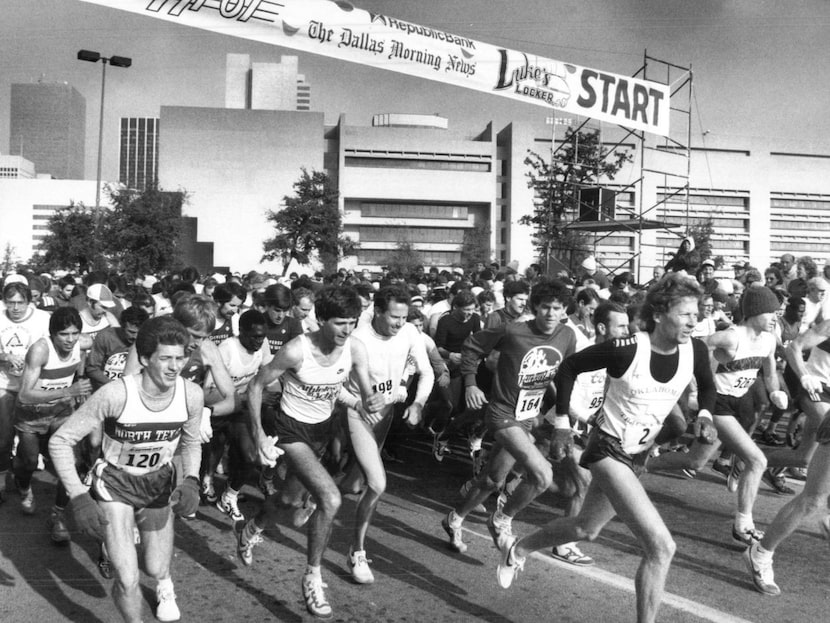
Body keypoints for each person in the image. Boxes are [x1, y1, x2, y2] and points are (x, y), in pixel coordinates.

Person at [496, 273, 717, 623]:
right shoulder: (628, 348)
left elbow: (707, 386)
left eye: (698, 313)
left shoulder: (697, 349)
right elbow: (568, 367)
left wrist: (704, 413)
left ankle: (518, 548)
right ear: (659, 314)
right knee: (661, 546)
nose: (695, 320)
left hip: (637, 455)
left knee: (586, 528)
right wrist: (563, 425)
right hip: (607, 449)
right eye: (687, 313)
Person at [234, 286, 383, 618]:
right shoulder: (295, 351)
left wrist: (370, 401)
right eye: (340, 323)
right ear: (321, 319)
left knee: (288, 501)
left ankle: (253, 526)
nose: (347, 330)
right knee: (330, 498)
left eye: (352, 322)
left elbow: (362, 391)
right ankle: (312, 578)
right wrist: (259, 434)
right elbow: (256, 386)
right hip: (290, 432)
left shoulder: (354, 348)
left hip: (320, 432)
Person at [49, 316, 204, 622]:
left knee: (156, 567)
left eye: (180, 358)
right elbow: (60, 441)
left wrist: (192, 479)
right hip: (115, 484)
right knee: (128, 578)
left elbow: (190, 444)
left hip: (158, 483)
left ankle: (134, 560)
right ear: (145, 359)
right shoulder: (116, 394)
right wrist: (80, 496)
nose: (175, 367)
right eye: (166, 359)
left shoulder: (191, 394)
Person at [442, 280, 577, 555]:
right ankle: (501, 520)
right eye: (545, 308)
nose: (551, 314)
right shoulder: (513, 331)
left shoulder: (567, 336)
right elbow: (471, 346)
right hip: (501, 413)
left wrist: (559, 418)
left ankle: (454, 519)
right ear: (534, 308)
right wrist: (470, 382)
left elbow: (566, 375)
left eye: (557, 309)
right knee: (542, 474)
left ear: (564, 310)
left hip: (527, 415)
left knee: (493, 479)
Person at [648, 285, 787, 540]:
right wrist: (697, 388)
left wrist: (775, 391)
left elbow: (768, 372)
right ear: (755, 312)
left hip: (741, 404)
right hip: (719, 404)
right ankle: (743, 525)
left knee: (694, 462)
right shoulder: (732, 337)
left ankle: (641, 465)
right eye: (771, 313)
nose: (775, 318)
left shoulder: (769, 339)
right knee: (758, 460)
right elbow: (696, 347)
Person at [338, 286, 433, 584]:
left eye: (404, 317)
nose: (399, 323)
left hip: (386, 414)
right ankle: (358, 552)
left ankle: (320, 495)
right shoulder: (357, 340)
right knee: (377, 483)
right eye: (394, 316)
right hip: (357, 413)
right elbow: (333, 384)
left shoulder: (409, 334)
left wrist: (418, 403)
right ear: (377, 311)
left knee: (354, 483)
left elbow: (426, 372)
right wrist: (356, 403)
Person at [743, 319, 830, 595]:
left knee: (805, 460)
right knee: (813, 498)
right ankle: (760, 553)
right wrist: (804, 374)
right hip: (819, 391)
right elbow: (795, 348)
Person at [13, 307, 93, 541]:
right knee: (28, 462)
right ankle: (24, 486)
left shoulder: (83, 343)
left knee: (70, 463)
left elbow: (85, 355)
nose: (70, 340)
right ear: (52, 334)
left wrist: (80, 378)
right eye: (63, 334)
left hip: (61, 414)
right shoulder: (40, 350)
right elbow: (24, 395)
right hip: (32, 414)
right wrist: (69, 390)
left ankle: (57, 516)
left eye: (74, 333)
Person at [204, 309, 273, 522]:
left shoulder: (262, 346)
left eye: (262, 336)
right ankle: (206, 480)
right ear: (240, 332)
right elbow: (208, 393)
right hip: (216, 408)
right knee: (214, 450)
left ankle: (229, 495)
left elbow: (271, 379)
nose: (259, 341)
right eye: (254, 336)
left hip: (239, 409)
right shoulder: (226, 350)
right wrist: (243, 397)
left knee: (251, 456)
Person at [0, 282, 50, 502]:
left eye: (21, 302)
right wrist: (4, 357)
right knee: (3, 438)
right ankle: (1, 480)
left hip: (33, 387)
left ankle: (22, 477)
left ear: (30, 302)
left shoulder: (42, 319)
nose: (16, 307)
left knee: (30, 443)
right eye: (11, 302)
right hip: (5, 385)